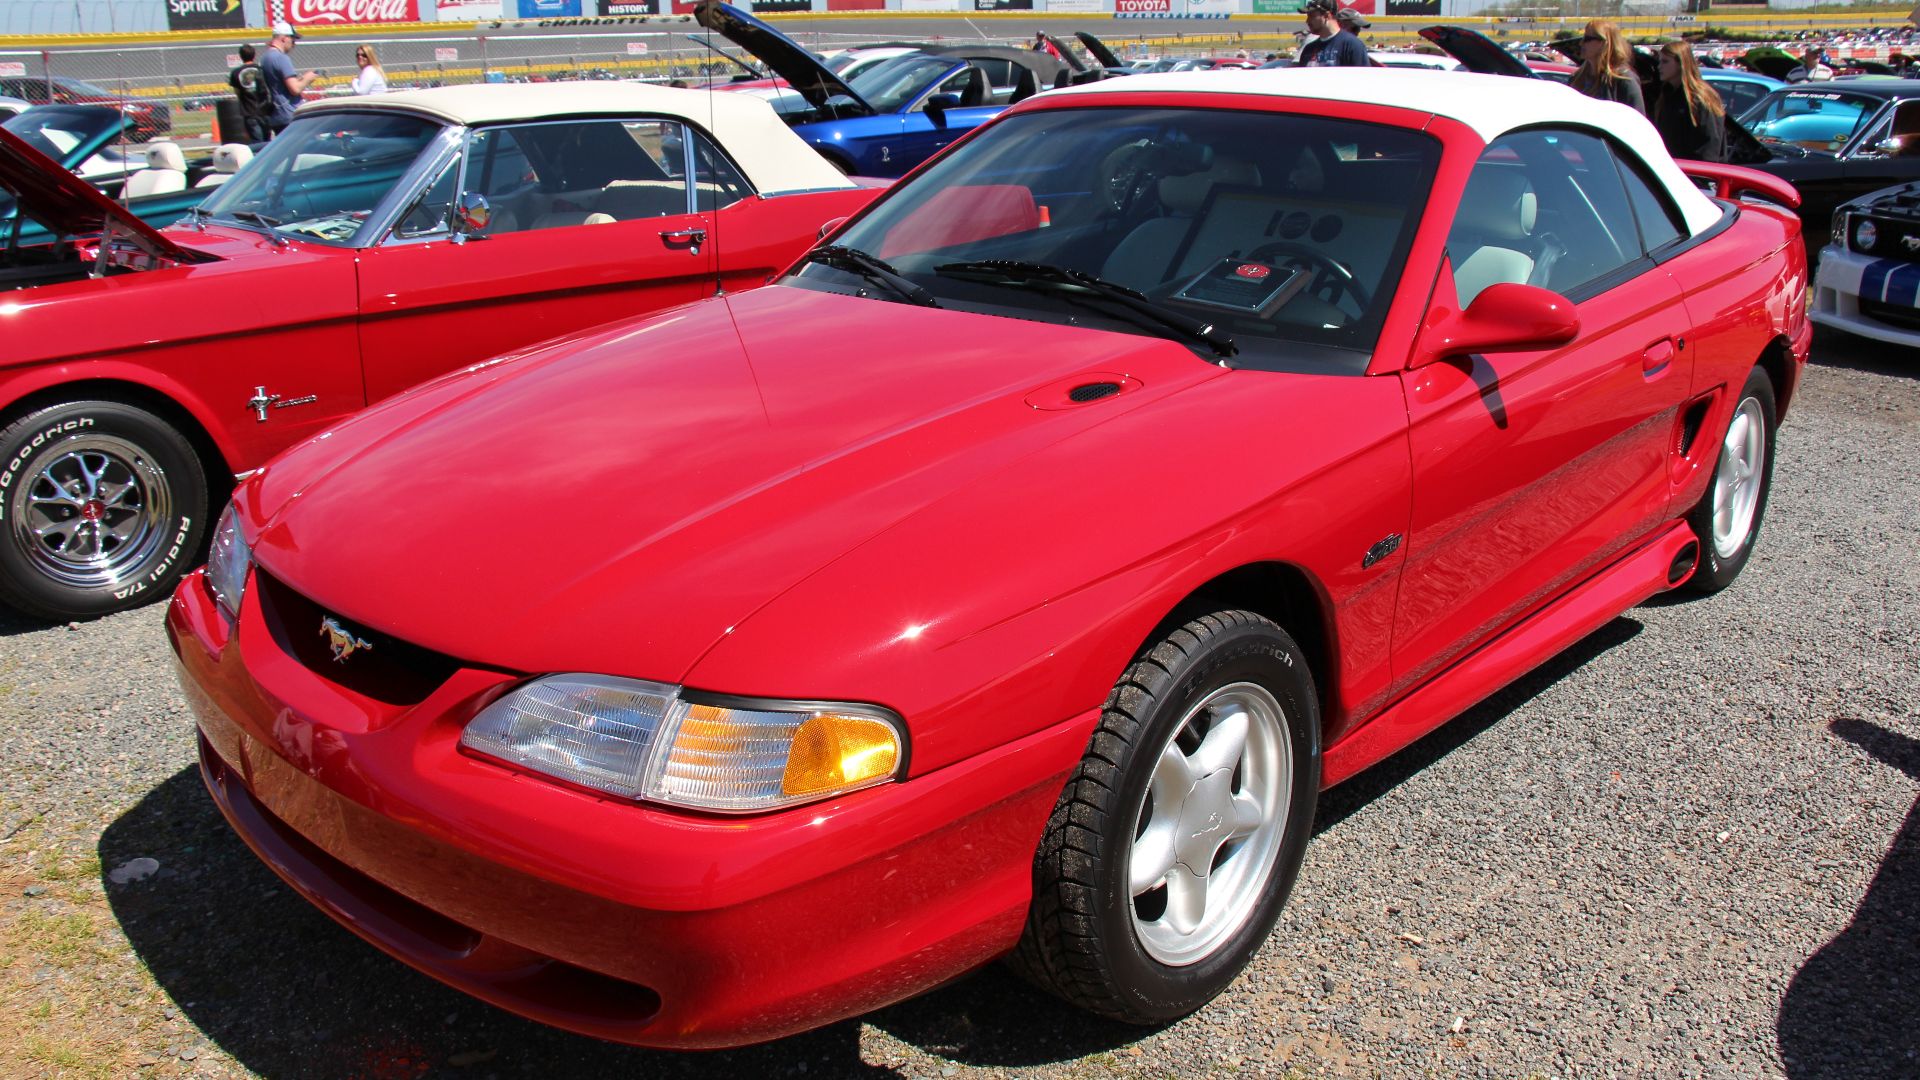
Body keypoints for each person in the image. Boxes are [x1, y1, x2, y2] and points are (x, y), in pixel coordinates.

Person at [1651, 41, 1726, 162]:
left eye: (1665, 61)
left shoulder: (1701, 97)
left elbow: (1709, 145)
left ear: (1681, 63)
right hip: (1671, 168)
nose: (1659, 66)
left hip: (1695, 172)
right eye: (1659, 61)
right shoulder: (1666, 94)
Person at [1570, 19, 1645, 115]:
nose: (1581, 43)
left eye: (1587, 39)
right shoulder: (1577, 78)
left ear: (1605, 42)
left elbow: (1638, 120)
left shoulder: (1624, 79)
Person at [259, 22, 318, 138]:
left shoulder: (265, 58)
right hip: (289, 115)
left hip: (275, 115)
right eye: (292, 39)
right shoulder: (281, 58)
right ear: (284, 38)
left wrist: (300, 79)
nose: (294, 44)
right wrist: (308, 78)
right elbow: (295, 89)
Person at [1295, 0, 1368, 68]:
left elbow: (1363, 78)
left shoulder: (1352, 45)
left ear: (1327, 16)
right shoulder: (1309, 49)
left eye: (1311, 16)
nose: (1307, 21)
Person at [226, 43, 272, 144]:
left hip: (249, 111)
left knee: (256, 142)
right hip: (265, 110)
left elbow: (237, 92)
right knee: (267, 141)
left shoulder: (236, 73)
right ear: (254, 55)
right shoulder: (261, 70)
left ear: (241, 56)